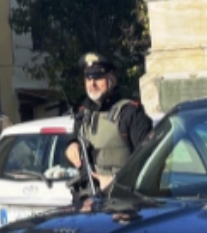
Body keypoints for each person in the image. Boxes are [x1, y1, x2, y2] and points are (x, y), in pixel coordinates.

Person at [64, 53, 152, 190]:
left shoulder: (130, 113)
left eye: (98, 78)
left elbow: (149, 160)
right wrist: (71, 146)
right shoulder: (83, 113)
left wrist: (115, 180)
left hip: (121, 200)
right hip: (87, 199)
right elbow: (75, 142)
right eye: (88, 78)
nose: (92, 84)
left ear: (111, 79)